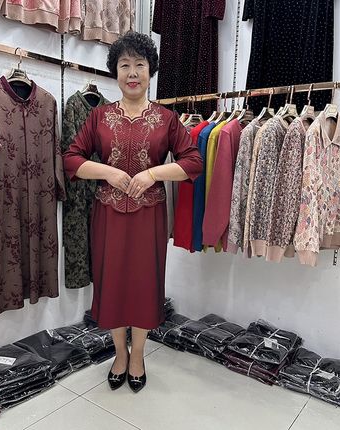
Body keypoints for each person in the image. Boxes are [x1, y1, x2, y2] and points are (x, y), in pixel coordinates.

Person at [63, 31, 203, 393]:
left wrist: (153, 174)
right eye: (124, 65)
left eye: (139, 64)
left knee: (144, 284)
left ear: (150, 70)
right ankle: (119, 354)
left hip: (148, 216)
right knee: (111, 282)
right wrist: (107, 172)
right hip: (107, 215)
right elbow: (71, 159)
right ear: (116, 71)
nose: (132, 73)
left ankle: (137, 354)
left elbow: (193, 162)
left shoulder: (167, 119)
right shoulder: (99, 117)